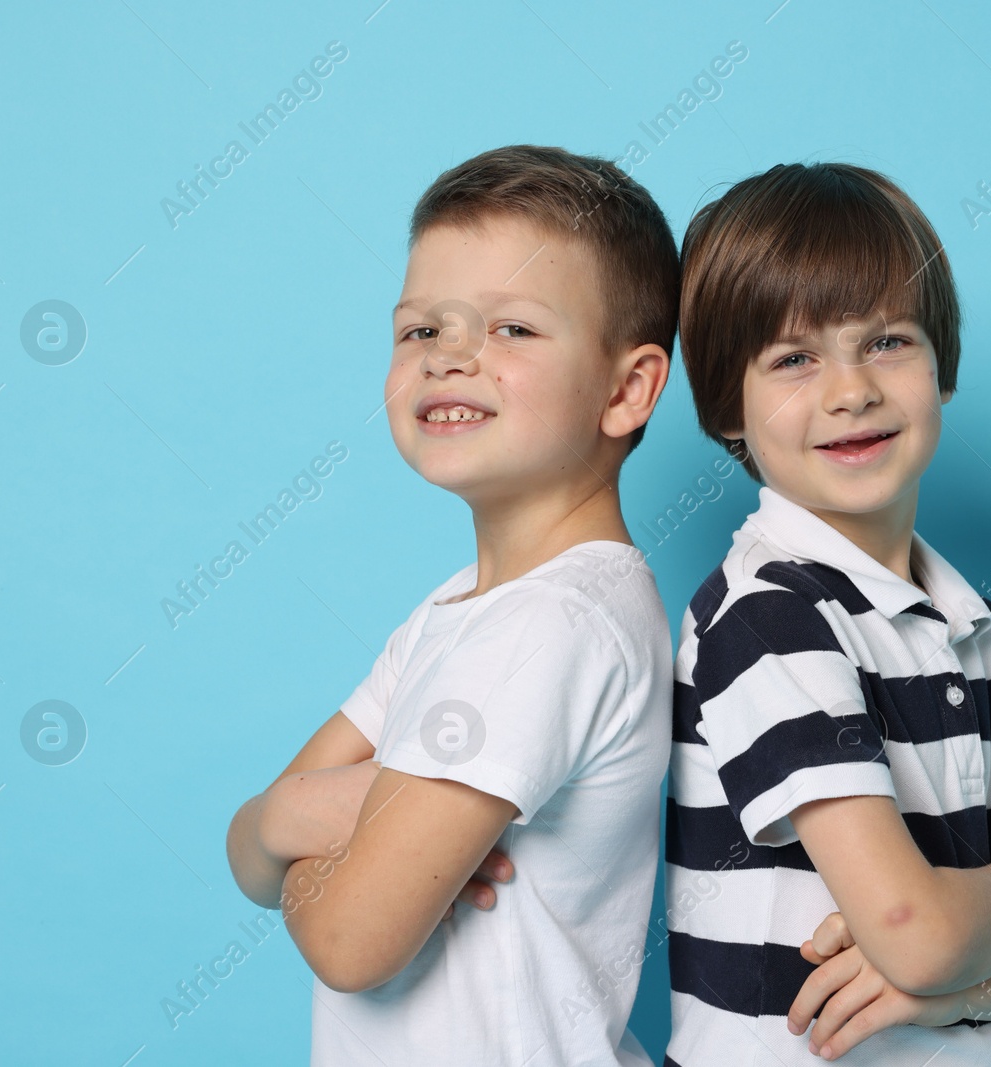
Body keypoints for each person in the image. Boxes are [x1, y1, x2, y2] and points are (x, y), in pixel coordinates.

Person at [665, 161, 991, 1064]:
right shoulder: (766, 616)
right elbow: (917, 933)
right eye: (794, 358)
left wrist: (966, 987)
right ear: (730, 408)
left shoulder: (976, 628)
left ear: (941, 365)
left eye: (886, 340)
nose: (851, 389)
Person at [224, 145, 680, 1066]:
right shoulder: (457, 609)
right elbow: (251, 845)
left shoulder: (549, 627)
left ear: (627, 389)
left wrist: (298, 823)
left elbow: (350, 943)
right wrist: (291, 819)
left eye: (512, 329)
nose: (451, 356)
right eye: (420, 328)